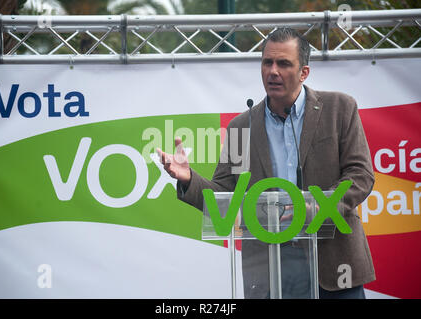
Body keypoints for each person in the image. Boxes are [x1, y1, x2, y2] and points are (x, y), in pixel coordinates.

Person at [157, 27, 375, 299]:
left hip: (333, 263)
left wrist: (317, 209)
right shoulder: (241, 127)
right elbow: (224, 197)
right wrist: (188, 178)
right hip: (270, 268)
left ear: (303, 72)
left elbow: (360, 175)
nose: (273, 71)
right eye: (267, 62)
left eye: (284, 63)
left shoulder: (339, 109)